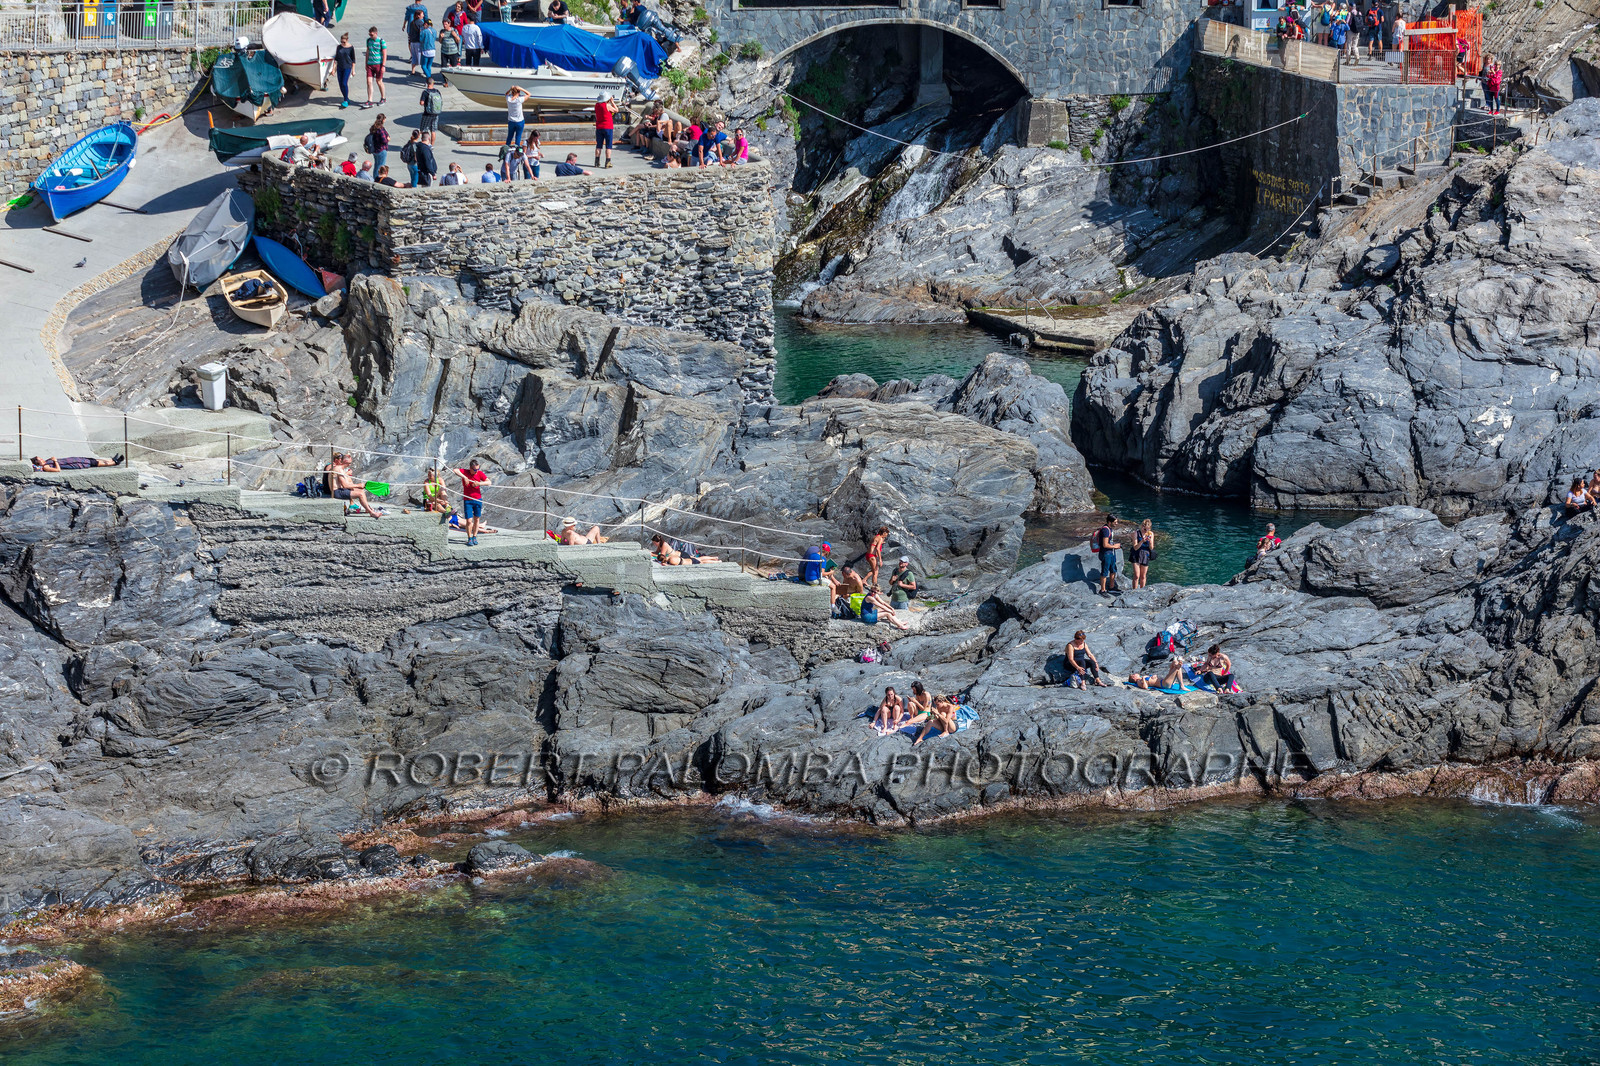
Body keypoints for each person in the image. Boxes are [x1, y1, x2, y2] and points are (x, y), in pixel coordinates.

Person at [1094, 515, 1121, 595]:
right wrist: (1115, 546)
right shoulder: (1105, 530)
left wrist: (1114, 546)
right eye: (1115, 522)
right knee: (1105, 571)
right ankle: (1102, 590)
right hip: (1106, 554)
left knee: (1113, 569)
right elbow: (1105, 544)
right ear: (1109, 522)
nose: (1116, 523)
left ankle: (1111, 587)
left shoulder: (1110, 528)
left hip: (1111, 552)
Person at [402, 0, 428, 77]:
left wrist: (404, 25)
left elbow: (406, 17)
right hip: (419, 36)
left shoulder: (410, 8)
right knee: (422, 56)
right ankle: (425, 71)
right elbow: (426, 18)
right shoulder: (423, 8)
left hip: (411, 30)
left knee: (410, 44)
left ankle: (413, 69)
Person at [364, 27, 388, 108]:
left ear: (376, 33)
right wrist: (366, 63)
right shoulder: (368, 41)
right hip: (370, 64)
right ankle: (370, 100)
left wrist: (383, 66)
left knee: (379, 81)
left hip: (378, 64)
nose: (370, 36)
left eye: (372, 34)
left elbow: (384, 54)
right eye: (369, 34)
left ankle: (383, 97)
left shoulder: (381, 41)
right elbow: (367, 52)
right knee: (369, 82)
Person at [333, 32, 356, 108]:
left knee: (344, 83)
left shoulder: (351, 48)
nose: (342, 43)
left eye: (344, 42)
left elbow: (353, 59)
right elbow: (336, 59)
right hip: (340, 67)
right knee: (340, 84)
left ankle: (345, 100)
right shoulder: (339, 47)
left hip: (347, 67)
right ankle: (346, 97)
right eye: (341, 42)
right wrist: (333, 69)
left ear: (347, 40)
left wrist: (353, 70)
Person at [594, 92, 616, 168]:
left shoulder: (596, 105)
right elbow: (616, 110)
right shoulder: (607, 105)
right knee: (608, 146)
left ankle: (597, 162)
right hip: (608, 127)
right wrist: (612, 102)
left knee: (599, 145)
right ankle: (607, 162)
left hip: (599, 127)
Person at [1131, 519, 1155, 590]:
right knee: (1136, 575)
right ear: (1142, 526)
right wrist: (1141, 541)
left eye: (1148, 529)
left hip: (1145, 555)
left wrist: (1150, 541)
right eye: (1144, 529)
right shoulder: (1136, 533)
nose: (1146, 531)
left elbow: (1151, 548)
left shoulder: (1151, 534)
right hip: (1136, 554)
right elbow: (1135, 547)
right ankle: (1134, 591)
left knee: (1143, 576)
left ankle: (1142, 591)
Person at [31, 455, 121, 471]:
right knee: (92, 463)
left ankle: (111, 460)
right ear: (39, 464)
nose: (42, 459)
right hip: (73, 464)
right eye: (40, 460)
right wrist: (55, 461)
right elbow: (58, 470)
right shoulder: (46, 467)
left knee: (91, 459)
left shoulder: (46, 462)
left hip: (72, 460)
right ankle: (114, 463)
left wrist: (51, 459)